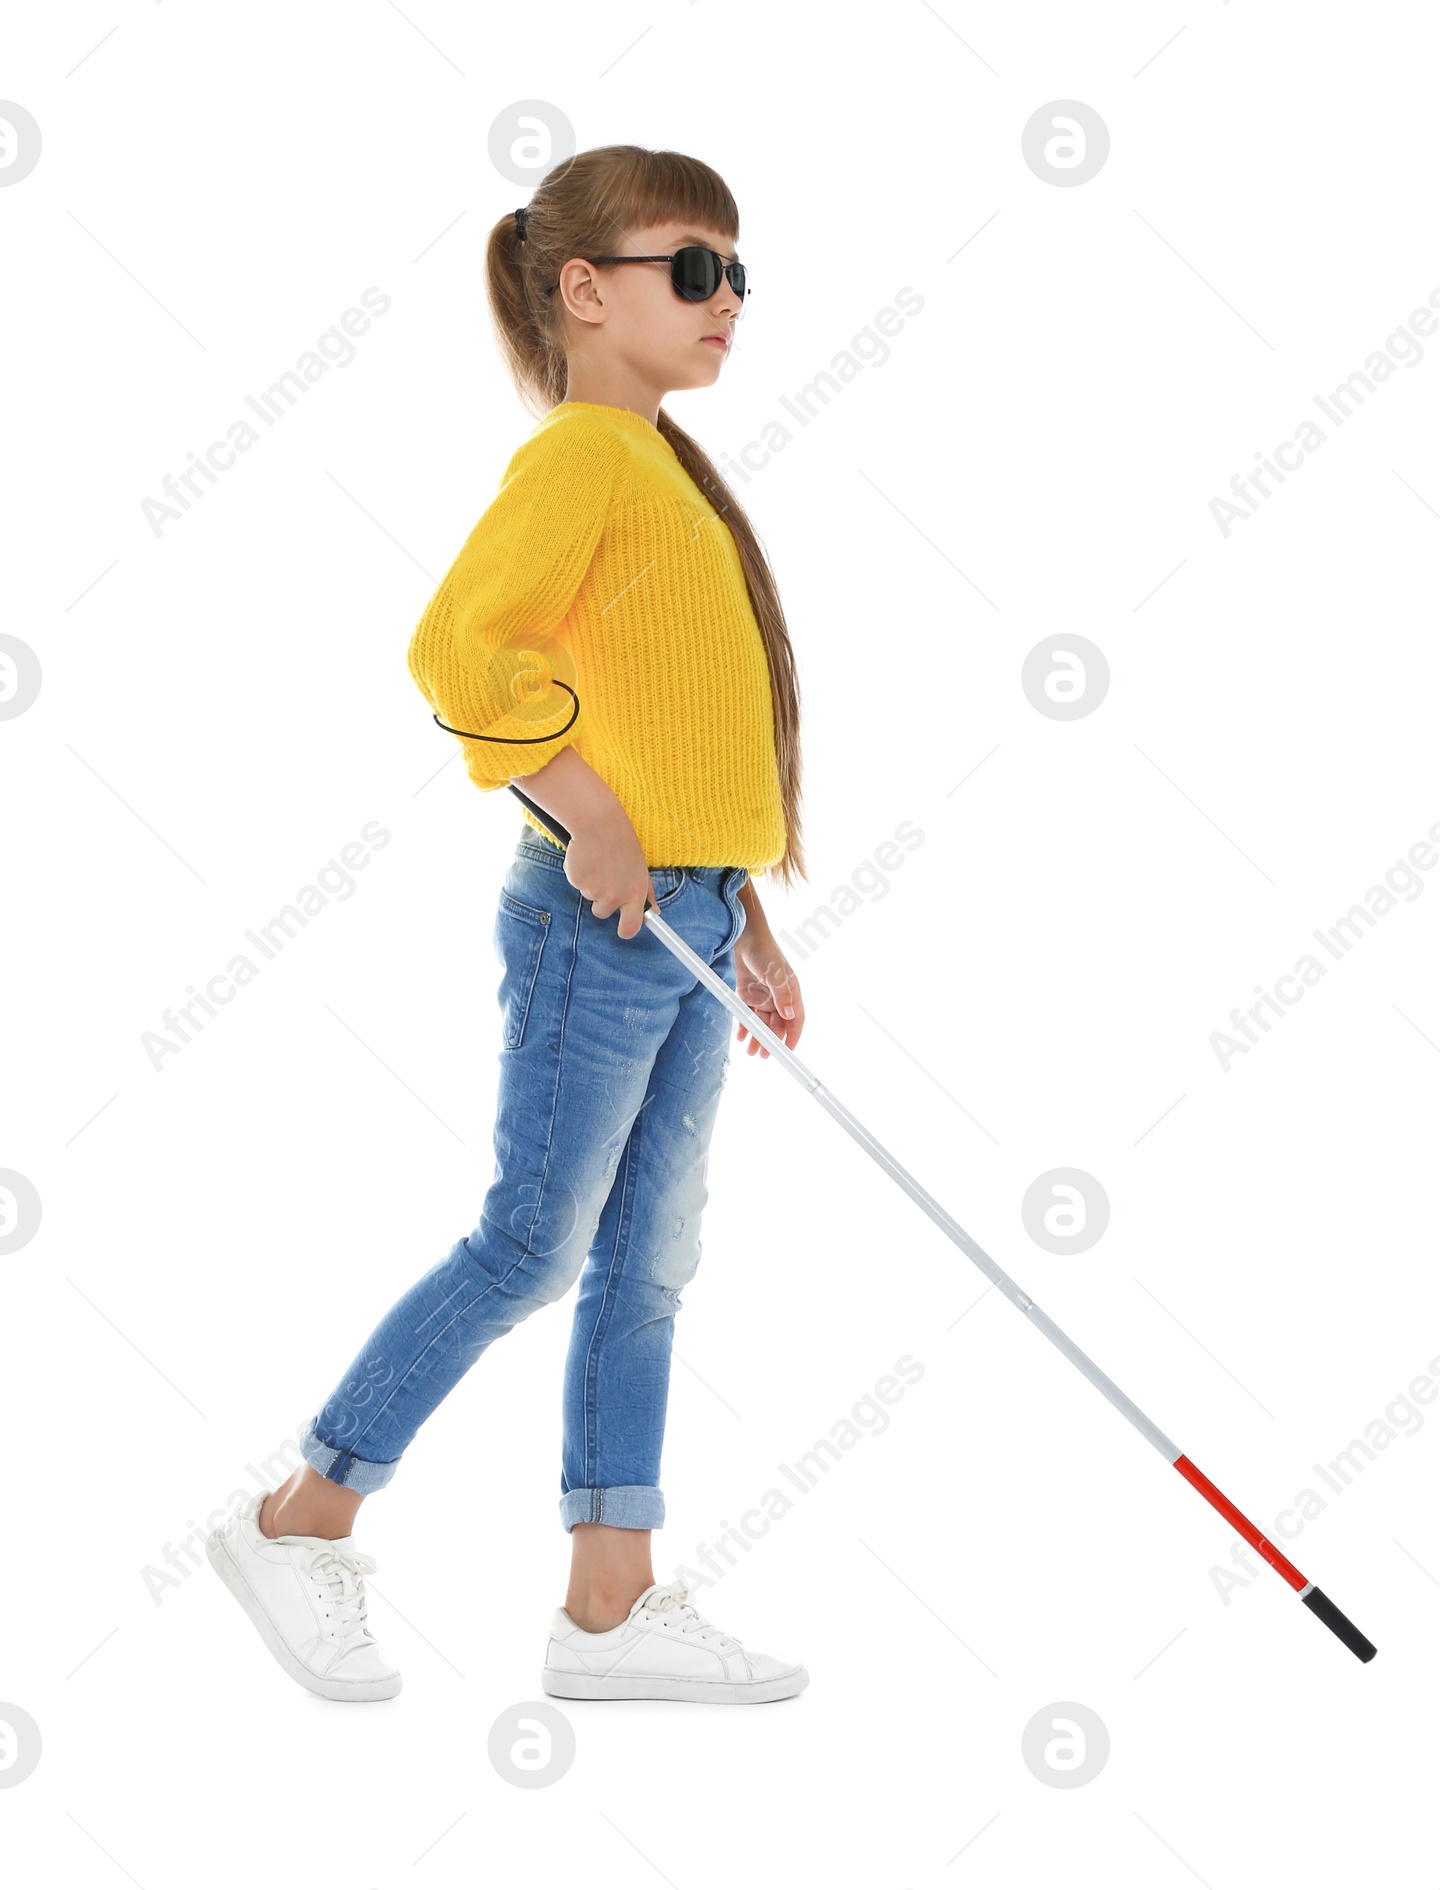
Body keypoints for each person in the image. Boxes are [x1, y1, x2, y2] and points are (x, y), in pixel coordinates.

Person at [207, 145, 811, 1705]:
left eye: (739, 270)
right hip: (598, 922)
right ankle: (299, 1515)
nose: (727, 297)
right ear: (585, 290)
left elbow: (685, 720)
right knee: (534, 1244)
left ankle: (609, 1609)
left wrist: (743, 908)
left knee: (648, 1260)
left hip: (686, 917)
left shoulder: (662, 464)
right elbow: (458, 650)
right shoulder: (586, 458)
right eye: (694, 265)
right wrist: (589, 811)